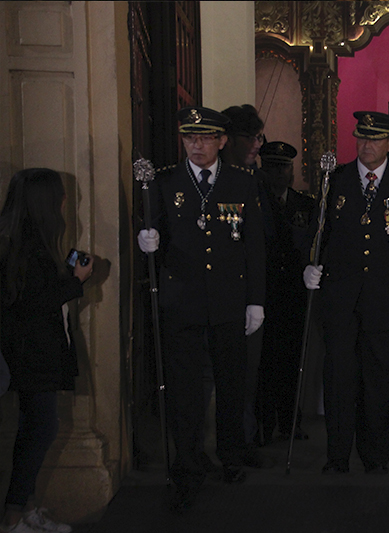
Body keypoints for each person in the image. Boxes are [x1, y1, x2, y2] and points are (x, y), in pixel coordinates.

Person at [136, 106, 266, 511]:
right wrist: (147, 244)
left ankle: (229, 457)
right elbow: (150, 231)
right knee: (185, 392)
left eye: (206, 137)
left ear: (222, 141)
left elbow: (253, 246)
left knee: (231, 386)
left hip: (228, 302)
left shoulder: (241, 184)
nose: (197, 144)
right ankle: (187, 466)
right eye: (190, 137)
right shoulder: (164, 182)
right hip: (182, 304)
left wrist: (256, 300)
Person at [303, 111, 389, 474]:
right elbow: (317, 234)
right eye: (361, 138)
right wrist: (308, 266)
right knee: (340, 381)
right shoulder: (336, 180)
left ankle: (375, 457)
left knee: (379, 383)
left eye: (374, 139)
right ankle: (337, 456)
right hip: (341, 301)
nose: (366, 146)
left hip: (387, 302)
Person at [0, 168, 94, 533]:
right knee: (40, 430)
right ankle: (13, 517)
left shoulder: (20, 240)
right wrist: (75, 281)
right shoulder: (23, 247)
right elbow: (31, 303)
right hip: (30, 354)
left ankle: (24, 509)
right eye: (62, 196)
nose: (67, 202)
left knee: (34, 430)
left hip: (28, 353)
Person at [220, 104, 268, 467]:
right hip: (220, 293)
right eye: (250, 137)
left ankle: (243, 440)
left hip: (254, 294)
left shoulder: (255, 180)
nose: (256, 144)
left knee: (246, 377)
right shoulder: (222, 182)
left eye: (258, 137)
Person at [258, 141, 314, 443]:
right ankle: (264, 424)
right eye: (272, 167)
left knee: (292, 361)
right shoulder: (255, 201)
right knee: (264, 363)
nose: (279, 173)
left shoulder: (305, 205)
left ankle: (291, 421)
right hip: (264, 292)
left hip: (293, 294)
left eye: (284, 167)